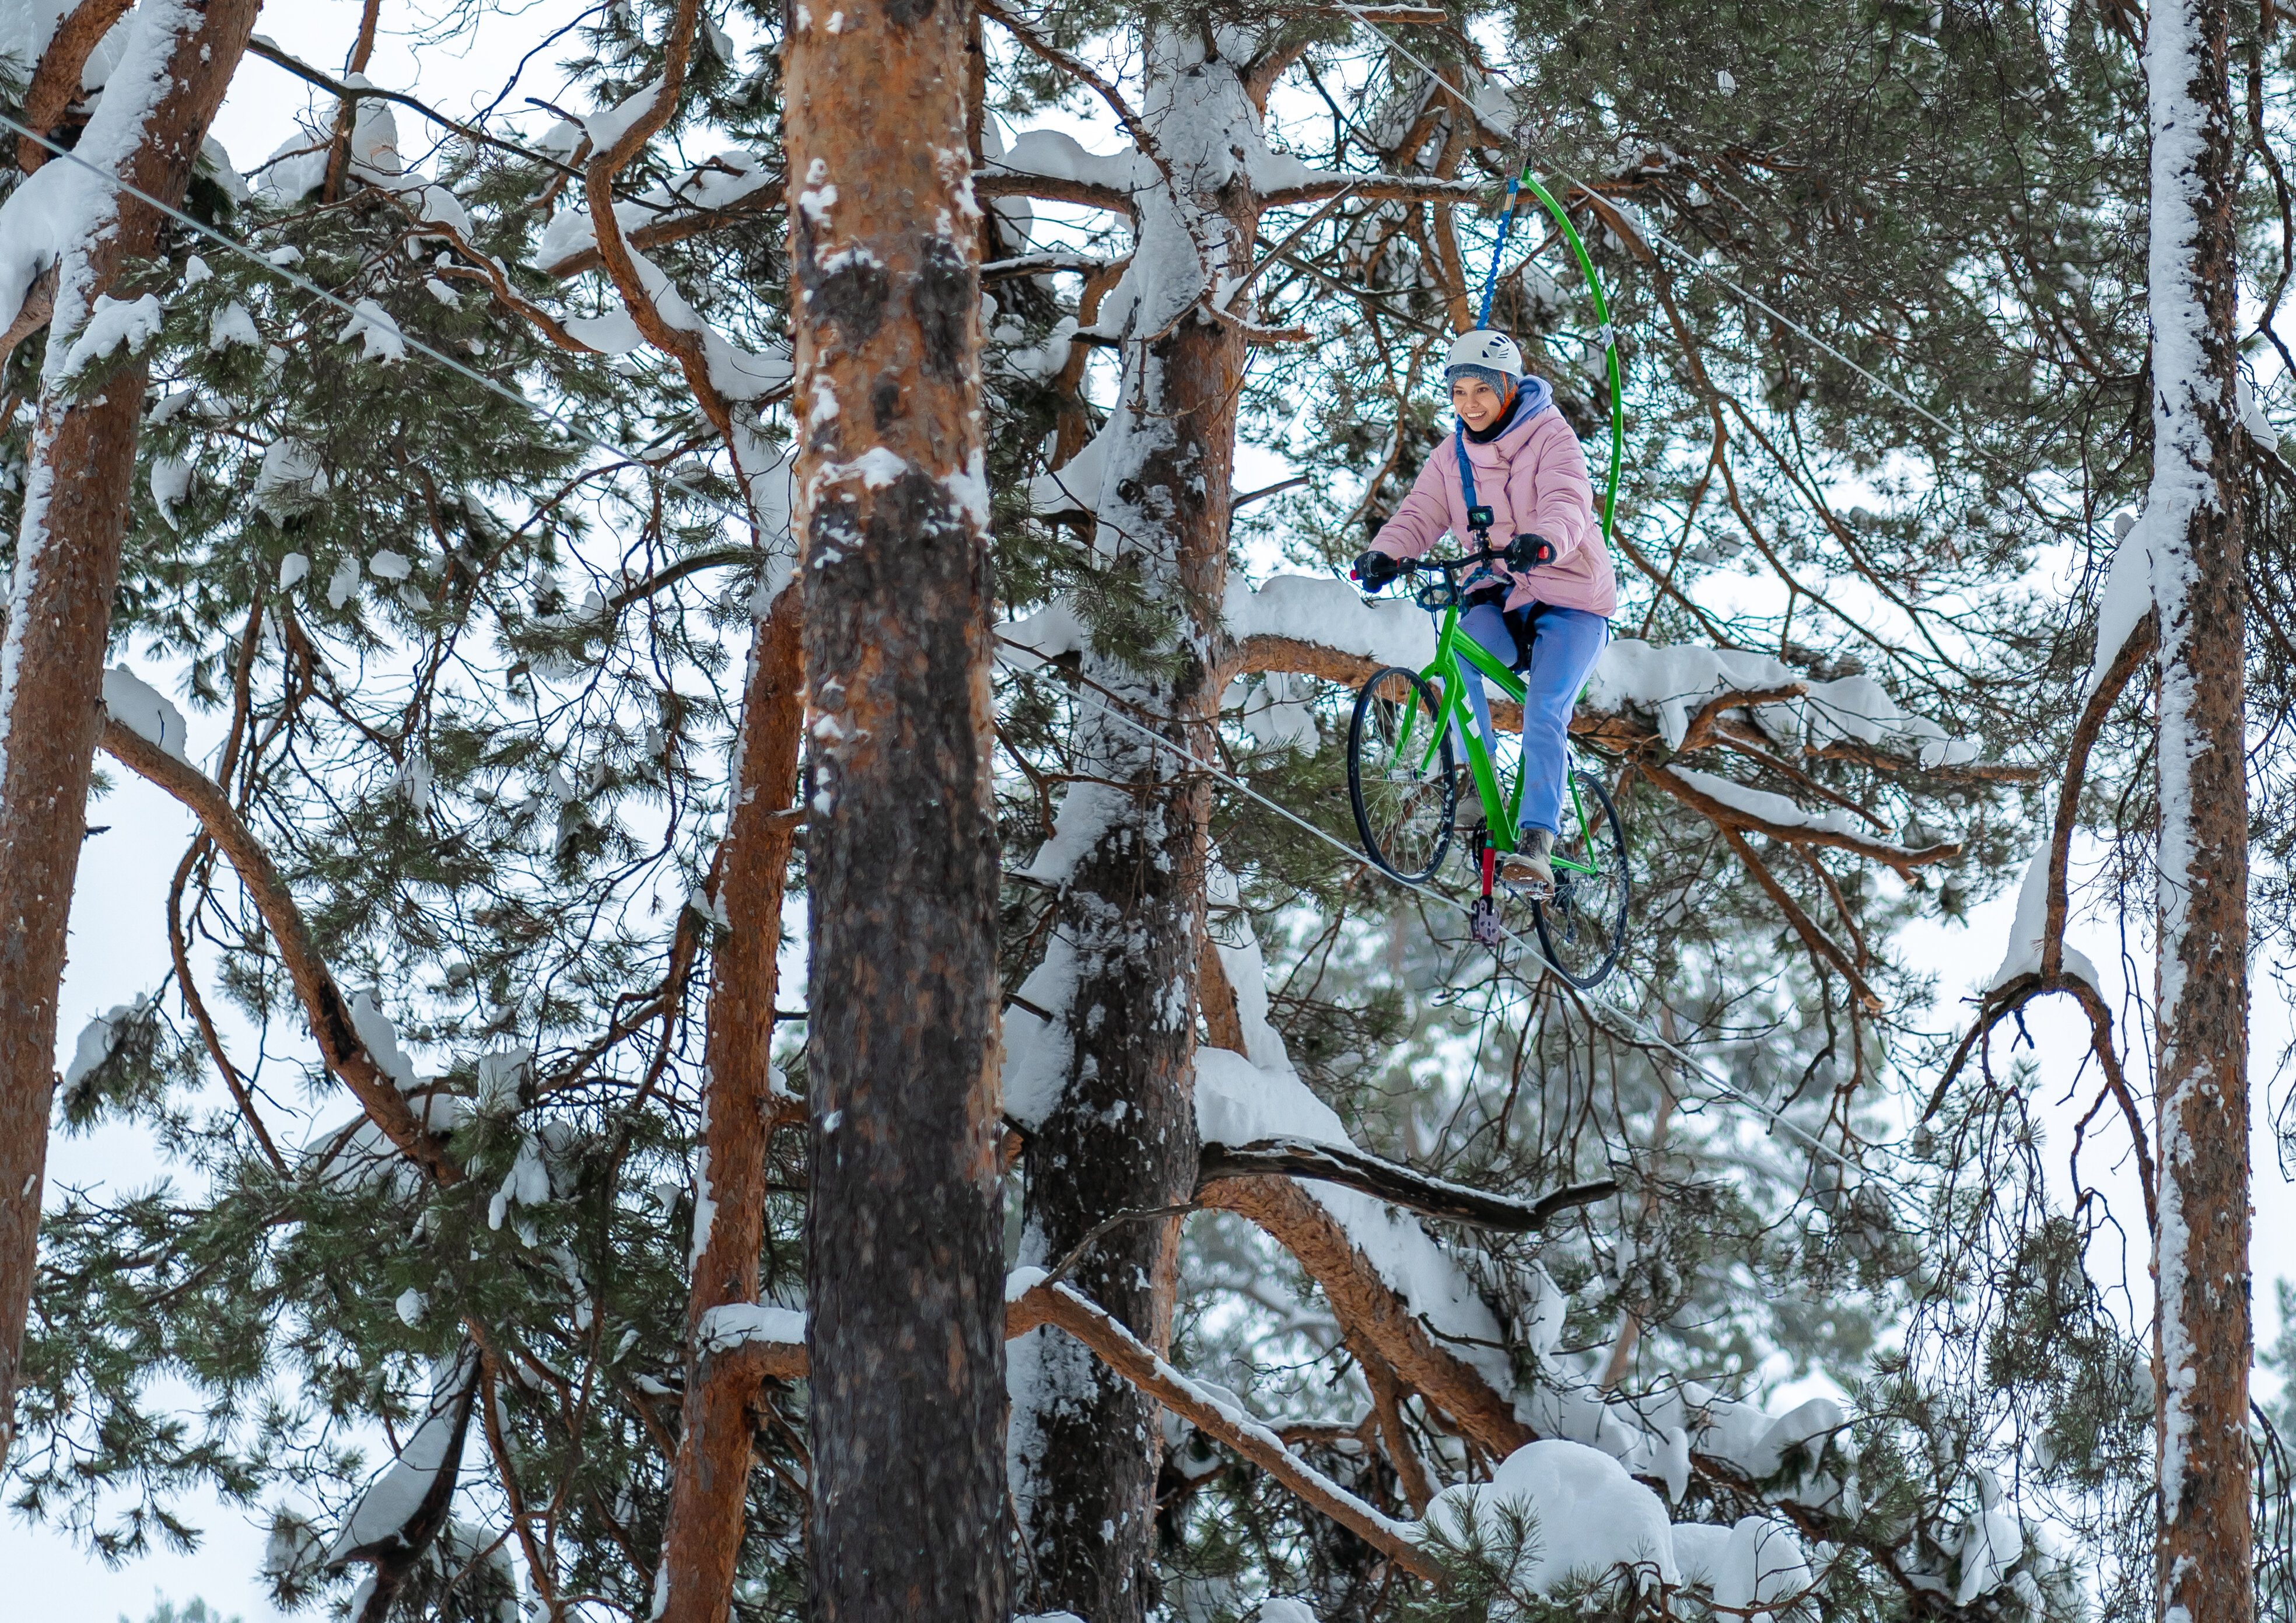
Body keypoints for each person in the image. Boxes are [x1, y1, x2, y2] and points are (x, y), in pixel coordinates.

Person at [1352, 329, 1616, 893]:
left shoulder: (1550, 436)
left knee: (1546, 708)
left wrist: (1542, 539)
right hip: (1498, 595)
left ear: (1508, 388)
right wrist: (1385, 554)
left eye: (1482, 391)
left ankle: (1538, 841)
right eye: (1459, 392)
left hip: (1571, 601)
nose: (1470, 405)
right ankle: (1474, 779)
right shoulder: (1452, 457)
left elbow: (1568, 500)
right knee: (1458, 657)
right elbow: (1420, 513)